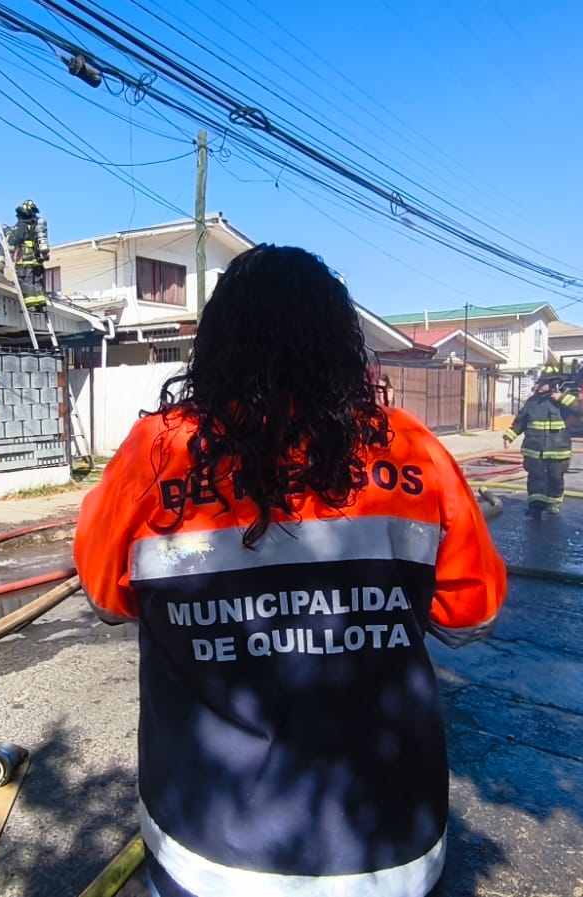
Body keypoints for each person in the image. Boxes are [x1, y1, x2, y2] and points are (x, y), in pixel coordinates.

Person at [73, 245, 508, 897]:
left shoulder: (155, 455)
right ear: (340, 345)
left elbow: (108, 598)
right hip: (388, 850)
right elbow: (472, 614)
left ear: (217, 345)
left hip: (209, 852)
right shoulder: (413, 453)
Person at [503, 366, 583, 516]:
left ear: (553, 384)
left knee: (555, 478)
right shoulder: (532, 402)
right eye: (539, 382)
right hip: (534, 450)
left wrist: (562, 398)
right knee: (535, 478)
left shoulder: (565, 399)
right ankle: (535, 505)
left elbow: (580, 411)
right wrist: (509, 436)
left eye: (542, 383)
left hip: (558, 450)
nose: (538, 386)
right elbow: (520, 422)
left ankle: (553, 503)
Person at [8, 199, 50, 309]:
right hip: (36, 259)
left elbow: (14, 241)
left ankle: (31, 304)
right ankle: (41, 304)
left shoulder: (21, 226)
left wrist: (8, 235)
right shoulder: (36, 226)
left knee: (27, 281)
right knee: (37, 281)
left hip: (26, 259)